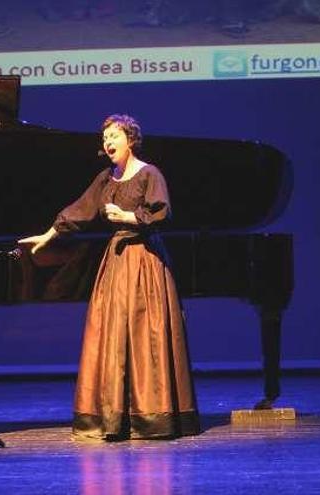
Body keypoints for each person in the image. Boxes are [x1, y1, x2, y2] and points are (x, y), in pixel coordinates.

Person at [19, 115, 200, 440]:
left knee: (148, 334)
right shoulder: (106, 178)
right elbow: (80, 210)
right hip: (116, 263)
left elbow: (162, 212)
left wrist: (130, 216)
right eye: (104, 137)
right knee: (112, 334)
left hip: (145, 260)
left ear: (130, 139)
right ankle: (115, 418)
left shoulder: (149, 173)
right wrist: (48, 236)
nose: (108, 142)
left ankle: (151, 417)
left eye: (114, 135)